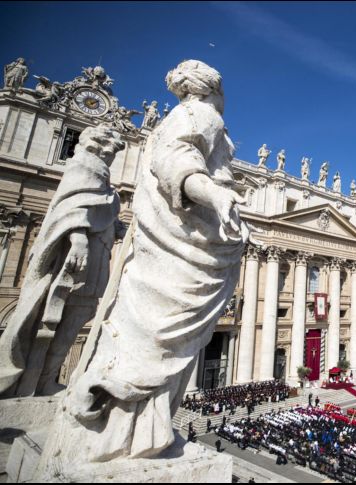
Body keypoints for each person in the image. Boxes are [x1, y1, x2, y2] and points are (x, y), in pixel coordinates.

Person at [45, 60, 247, 467]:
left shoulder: (178, 119)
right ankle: (127, 431)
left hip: (177, 234)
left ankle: (129, 430)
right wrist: (214, 193)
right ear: (213, 89)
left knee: (149, 330)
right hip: (186, 241)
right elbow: (176, 160)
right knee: (160, 332)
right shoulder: (200, 114)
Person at [0, 124, 125, 397]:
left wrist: (116, 228)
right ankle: (28, 382)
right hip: (73, 258)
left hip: (97, 260)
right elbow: (71, 209)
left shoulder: (106, 183)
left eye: (114, 152)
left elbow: (98, 216)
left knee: (77, 316)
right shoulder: (83, 166)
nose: (111, 154)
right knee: (45, 318)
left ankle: (45, 381)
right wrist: (78, 238)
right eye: (108, 148)